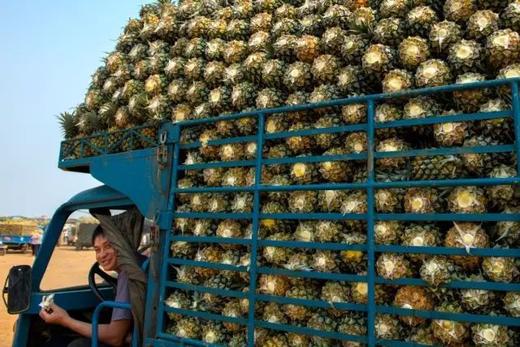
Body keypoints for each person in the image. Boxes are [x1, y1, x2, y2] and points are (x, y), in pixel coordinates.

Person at [39, 226, 132, 347]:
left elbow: (115, 337)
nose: (102, 255)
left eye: (108, 246)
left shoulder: (128, 274)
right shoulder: (134, 267)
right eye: (97, 250)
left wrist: (65, 320)